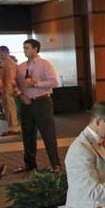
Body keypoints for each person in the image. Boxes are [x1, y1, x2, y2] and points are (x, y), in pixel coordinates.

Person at [15, 39, 61, 173]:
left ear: (35, 49)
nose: (24, 50)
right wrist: (21, 96)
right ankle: (30, 164)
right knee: (27, 135)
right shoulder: (21, 67)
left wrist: (36, 84)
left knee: (48, 134)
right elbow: (16, 84)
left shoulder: (44, 64)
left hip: (42, 102)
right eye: (24, 48)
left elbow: (54, 82)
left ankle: (55, 164)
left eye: (27, 48)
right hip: (26, 103)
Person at [0, 46, 21, 137]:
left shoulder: (9, 63)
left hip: (7, 89)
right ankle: (12, 127)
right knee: (7, 109)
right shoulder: (4, 62)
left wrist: (6, 89)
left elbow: (10, 78)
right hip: (5, 89)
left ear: (5, 52)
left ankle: (14, 128)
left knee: (10, 109)